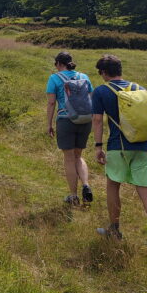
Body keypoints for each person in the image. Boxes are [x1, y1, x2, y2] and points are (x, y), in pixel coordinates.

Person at [91, 53, 147, 262]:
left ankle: (114, 230)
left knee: (113, 185)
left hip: (118, 147)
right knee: (146, 191)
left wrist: (98, 147)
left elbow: (97, 120)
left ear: (103, 72)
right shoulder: (140, 89)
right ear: (120, 69)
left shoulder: (101, 91)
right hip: (143, 146)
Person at [45, 51, 94, 207]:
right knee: (79, 156)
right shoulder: (84, 77)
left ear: (59, 64)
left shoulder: (54, 78)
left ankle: (73, 196)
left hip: (66, 120)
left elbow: (51, 103)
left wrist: (49, 124)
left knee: (69, 158)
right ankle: (86, 185)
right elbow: (90, 98)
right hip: (86, 119)